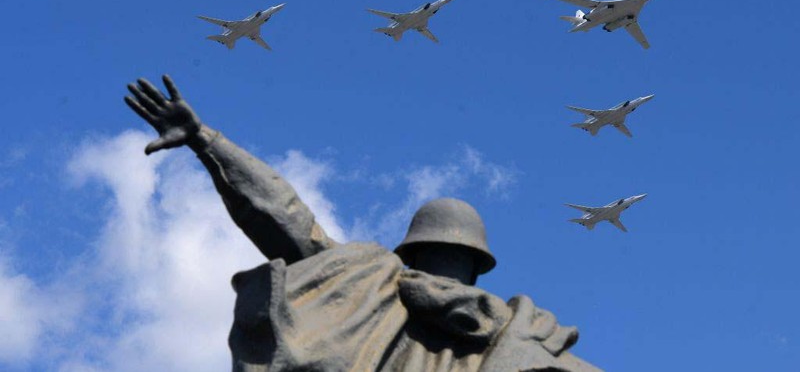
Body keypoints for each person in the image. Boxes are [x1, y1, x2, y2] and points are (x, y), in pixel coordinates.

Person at [125, 75, 602, 372]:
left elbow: (285, 218)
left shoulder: (371, 291)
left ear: (410, 252)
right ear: (478, 265)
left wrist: (206, 141)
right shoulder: (532, 342)